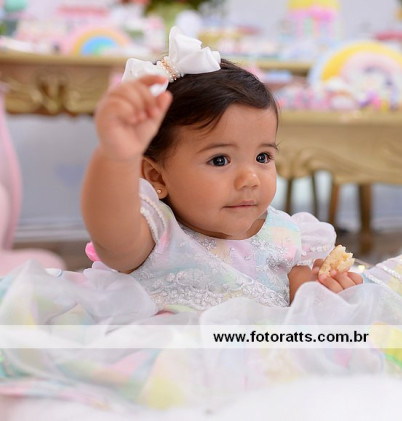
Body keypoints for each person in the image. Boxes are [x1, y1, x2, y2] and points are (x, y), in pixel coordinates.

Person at [81, 27, 364, 311]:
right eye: (220, 160)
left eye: (263, 157)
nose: (250, 178)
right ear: (156, 176)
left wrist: (322, 292)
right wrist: (114, 157)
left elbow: (300, 309)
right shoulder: (156, 236)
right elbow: (112, 235)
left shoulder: (286, 237)